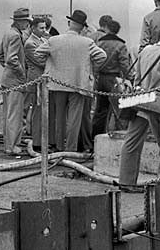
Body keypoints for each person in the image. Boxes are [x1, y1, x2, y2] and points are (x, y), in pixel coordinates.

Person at [117, 25, 160, 191]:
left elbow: (137, 79)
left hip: (142, 102)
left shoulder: (146, 51)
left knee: (131, 141)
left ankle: (126, 182)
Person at [33, 10, 106, 152]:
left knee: (59, 117)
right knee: (74, 119)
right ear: (83, 27)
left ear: (69, 23)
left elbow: (37, 55)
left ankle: (59, 147)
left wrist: (51, 65)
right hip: (78, 84)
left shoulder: (54, 40)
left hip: (57, 83)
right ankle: (71, 150)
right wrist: (89, 70)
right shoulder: (87, 42)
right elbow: (102, 57)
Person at [0, 8, 31, 156]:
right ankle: (13, 146)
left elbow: (0, 56)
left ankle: (8, 145)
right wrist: (21, 74)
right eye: (26, 21)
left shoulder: (7, 34)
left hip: (7, 79)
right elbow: (12, 59)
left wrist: (8, 69)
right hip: (16, 82)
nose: (27, 24)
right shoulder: (17, 36)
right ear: (19, 21)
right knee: (15, 116)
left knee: (8, 115)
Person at [92, 19, 132, 138]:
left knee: (100, 110)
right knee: (119, 110)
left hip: (101, 79)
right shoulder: (120, 45)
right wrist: (130, 78)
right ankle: (120, 137)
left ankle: (96, 137)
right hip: (115, 80)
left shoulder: (99, 44)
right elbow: (125, 66)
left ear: (107, 29)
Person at [23, 16, 50, 141]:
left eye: (45, 27)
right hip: (36, 80)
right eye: (41, 28)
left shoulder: (43, 40)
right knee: (36, 110)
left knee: (40, 109)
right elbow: (40, 61)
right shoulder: (30, 43)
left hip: (42, 80)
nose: (44, 30)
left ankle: (39, 137)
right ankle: (36, 139)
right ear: (33, 28)